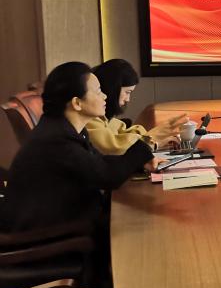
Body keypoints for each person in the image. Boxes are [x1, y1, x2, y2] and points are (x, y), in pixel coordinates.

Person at [0, 62, 161, 234]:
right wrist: (142, 149)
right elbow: (106, 176)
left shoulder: (66, 128)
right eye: (98, 91)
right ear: (77, 103)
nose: (105, 96)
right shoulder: (56, 139)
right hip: (46, 236)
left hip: (64, 221)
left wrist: (140, 163)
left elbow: (99, 163)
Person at [87, 58, 185, 155]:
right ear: (112, 89)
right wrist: (151, 138)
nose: (128, 99)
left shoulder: (108, 121)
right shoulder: (89, 118)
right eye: (127, 92)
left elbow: (123, 134)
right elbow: (115, 148)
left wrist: (155, 141)